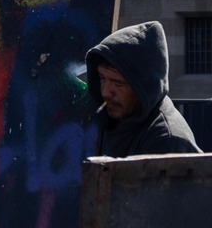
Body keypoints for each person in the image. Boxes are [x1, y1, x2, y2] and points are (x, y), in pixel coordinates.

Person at [85, 21, 201, 157]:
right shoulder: (110, 119)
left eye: (118, 83)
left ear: (142, 86)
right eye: (102, 79)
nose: (105, 92)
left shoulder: (168, 141)